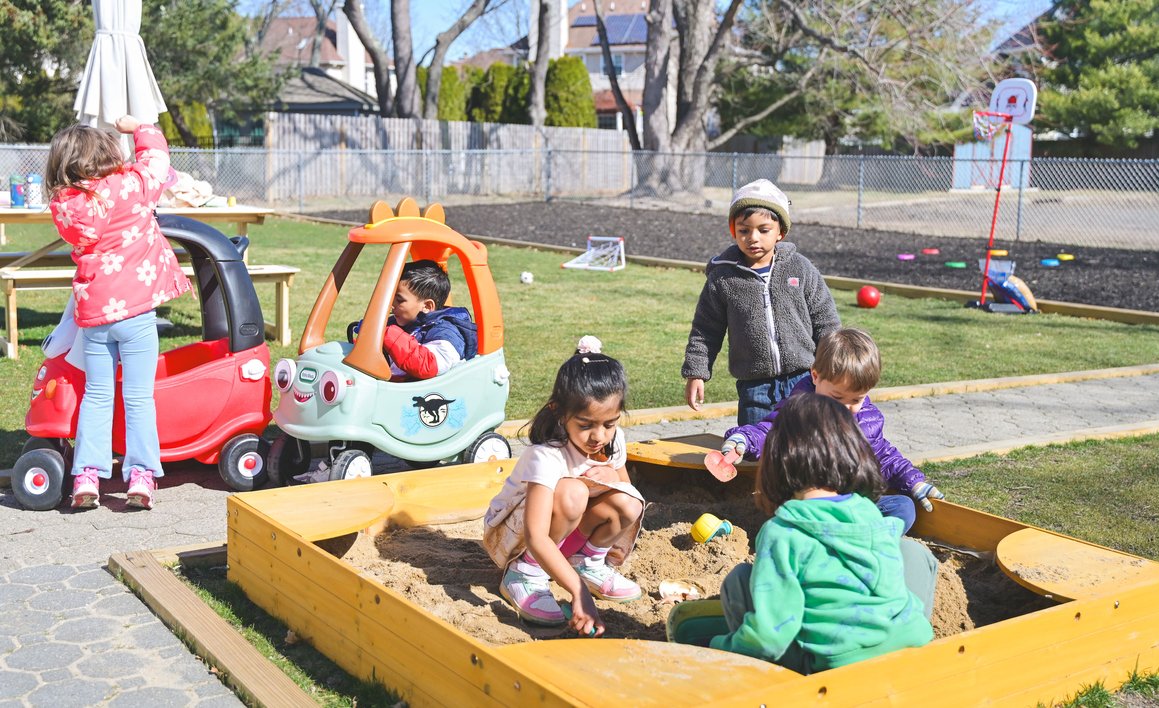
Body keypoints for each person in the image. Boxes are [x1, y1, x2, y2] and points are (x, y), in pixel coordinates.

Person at [674, 393, 937, 673]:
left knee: (738, 580)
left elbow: (770, 637)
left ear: (778, 462)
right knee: (914, 553)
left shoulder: (783, 532)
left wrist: (718, 647)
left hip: (836, 669)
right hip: (909, 650)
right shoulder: (869, 514)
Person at [46, 116, 193, 510]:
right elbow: (157, 158)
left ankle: (86, 476)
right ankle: (142, 476)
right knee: (138, 397)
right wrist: (138, 125)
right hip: (137, 315)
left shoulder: (67, 206)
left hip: (95, 316)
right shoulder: (130, 187)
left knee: (97, 395)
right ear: (107, 155)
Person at [482, 336, 644, 636]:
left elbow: (627, 495)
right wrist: (578, 592)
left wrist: (614, 478)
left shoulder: (613, 439)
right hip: (514, 539)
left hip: (563, 535)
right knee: (573, 492)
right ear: (559, 411)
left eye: (610, 423)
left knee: (629, 500)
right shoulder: (547, 454)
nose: (599, 436)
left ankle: (586, 562)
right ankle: (525, 574)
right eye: (585, 425)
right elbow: (535, 535)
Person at [719, 327, 944, 534]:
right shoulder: (800, 410)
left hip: (849, 503)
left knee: (903, 507)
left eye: (857, 398)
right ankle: (837, 537)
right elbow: (770, 431)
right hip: (809, 503)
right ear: (815, 376)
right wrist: (744, 439)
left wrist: (914, 481)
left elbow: (884, 456)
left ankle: (863, 541)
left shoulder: (867, 418)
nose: (846, 407)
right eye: (837, 397)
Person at [682, 178, 841, 426]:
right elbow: (705, 330)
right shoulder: (723, 277)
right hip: (754, 385)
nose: (753, 238)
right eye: (744, 230)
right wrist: (696, 373)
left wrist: (834, 365)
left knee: (805, 444)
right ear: (734, 231)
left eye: (763, 230)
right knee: (757, 451)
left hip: (804, 378)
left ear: (781, 232)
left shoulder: (800, 268)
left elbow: (826, 320)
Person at [351, 259, 478, 380]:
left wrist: (386, 334)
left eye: (399, 300)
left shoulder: (446, 332)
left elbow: (429, 365)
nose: (391, 305)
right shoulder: (401, 322)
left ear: (427, 306)